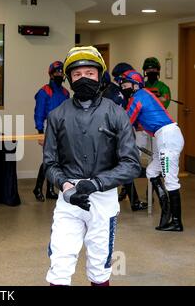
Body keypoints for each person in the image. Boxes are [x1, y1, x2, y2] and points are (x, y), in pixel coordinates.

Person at [44, 46, 141, 286]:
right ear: (69, 78)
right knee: (60, 261)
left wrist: (97, 182)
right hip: (69, 197)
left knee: (100, 264)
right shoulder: (57, 115)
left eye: (89, 72)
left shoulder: (116, 114)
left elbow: (131, 164)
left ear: (100, 75)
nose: (84, 78)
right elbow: (50, 163)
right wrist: (66, 187)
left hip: (103, 196)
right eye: (77, 75)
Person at [119, 70, 184, 231]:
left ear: (135, 85)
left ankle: (176, 222)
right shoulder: (142, 94)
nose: (122, 87)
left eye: (125, 84)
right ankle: (166, 211)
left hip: (167, 137)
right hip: (164, 136)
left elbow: (127, 121)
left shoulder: (138, 97)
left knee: (171, 180)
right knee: (151, 171)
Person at [107, 62, 148, 211]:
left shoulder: (117, 90)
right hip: (116, 134)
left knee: (124, 165)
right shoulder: (115, 93)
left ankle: (131, 198)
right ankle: (133, 201)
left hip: (117, 133)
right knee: (125, 164)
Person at [33, 61, 70, 201]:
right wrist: (40, 132)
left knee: (57, 161)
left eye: (62, 72)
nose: (59, 74)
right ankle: (37, 188)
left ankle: (49, 190)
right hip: (49, 128)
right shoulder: (44, 92)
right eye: (57, 72)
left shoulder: (66, 92)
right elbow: (39, 113)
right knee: (49, 160)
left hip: (64, 129)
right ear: (51, 74)